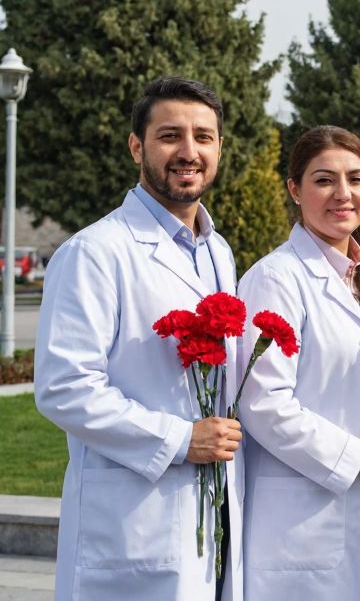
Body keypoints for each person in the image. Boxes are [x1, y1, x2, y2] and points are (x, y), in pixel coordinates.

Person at [34, 76, 243, 600]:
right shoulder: (94, 253)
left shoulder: (218, 252)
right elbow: (65, 388)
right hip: (133, 521)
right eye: (170, 135)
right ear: (136, 147)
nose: (189, 152)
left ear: (219, 148)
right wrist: (179, 439)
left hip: (211, 515)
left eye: (204, 137)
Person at [236, 126, 360, 601]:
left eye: (356, 179)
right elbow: (263, 405)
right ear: (295, 190)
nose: (344, 194)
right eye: (324, 180)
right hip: (316, 513)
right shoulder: (276, 278)